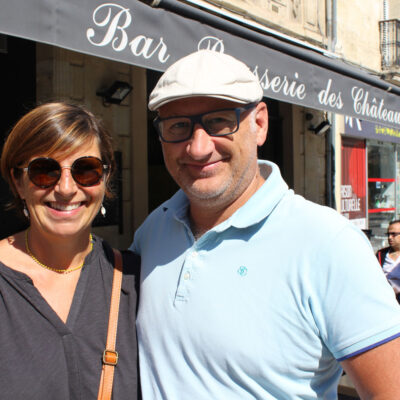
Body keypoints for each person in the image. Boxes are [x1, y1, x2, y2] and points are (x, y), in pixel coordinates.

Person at [131, 50, 400, 399]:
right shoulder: (154, 229)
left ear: (259, 124)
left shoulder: (328, 243)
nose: (198, 148)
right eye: (178, 126)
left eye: (219, 122)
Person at [0, 102, 140, 399]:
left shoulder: (137, 282)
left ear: (105, 178)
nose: (65, 188)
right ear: (18, 181)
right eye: (44, 171)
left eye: (86, 170)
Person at [376, 219, 400, 302]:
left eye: (393, 234)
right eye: (388, 234)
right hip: (385, 300)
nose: (390, 237)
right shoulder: (380, 254)